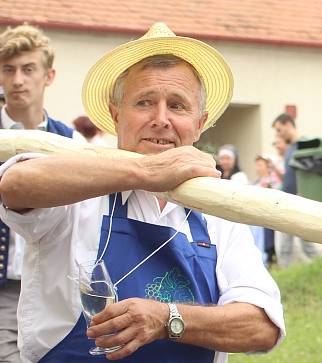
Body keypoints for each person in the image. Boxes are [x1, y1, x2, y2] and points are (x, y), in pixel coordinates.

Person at [0, 23, 284, 362]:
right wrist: (148, 171)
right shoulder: (79, 184)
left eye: (177, 106)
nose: (161, 119)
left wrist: (169, 319)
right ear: (115, 114)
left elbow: (262, 326)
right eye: (145, 102)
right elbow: (14, 185)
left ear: (200, 122)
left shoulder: (221, 211)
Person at [0, 24, 85, 363]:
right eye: (9, 69)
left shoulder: (69, 140)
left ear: (48, 76)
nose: (18, 79)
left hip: (55, 284)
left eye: (28, 69)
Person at [272, 112, 319, 267]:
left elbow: (311, 170)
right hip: (288, 200)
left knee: (307, 243)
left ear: (288, 125)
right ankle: (285, 274)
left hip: (300, 200)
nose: (278, 134)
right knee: (285, 244)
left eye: (279, 130)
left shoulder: (304, 144)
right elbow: (290, 175)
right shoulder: (290, 148)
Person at [251, 153, 282, 266]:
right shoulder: (255, 182)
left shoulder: (273, 182)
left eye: (260, 165)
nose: (257, 168)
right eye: (256, 165)